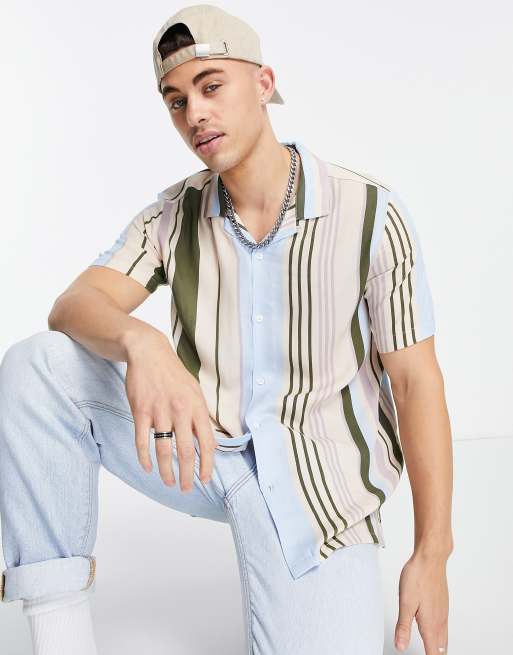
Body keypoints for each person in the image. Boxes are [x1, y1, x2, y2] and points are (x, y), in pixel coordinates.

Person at [0, 4, 454, 654]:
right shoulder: (173, 213)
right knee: (38, 367)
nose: (195, 114)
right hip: (204, 448)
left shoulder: (368, 214)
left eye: (211, 86)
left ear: (264, 83)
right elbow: (75, 303)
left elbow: (414, 384)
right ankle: (60, 636)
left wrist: (431, 552)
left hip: (319, 486)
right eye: (176, 101)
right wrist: (142, 341)